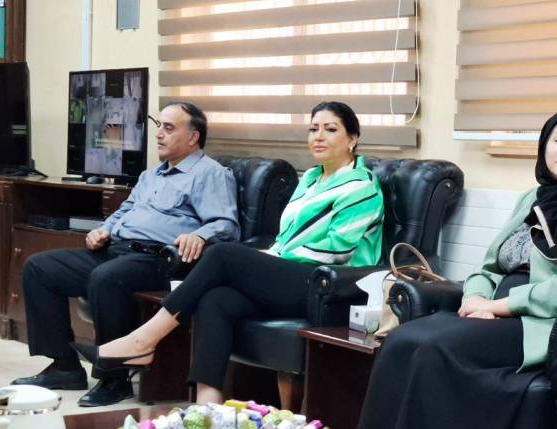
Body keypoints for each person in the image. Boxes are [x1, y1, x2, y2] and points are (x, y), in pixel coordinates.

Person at [72, 101, 385, 405]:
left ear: (352, 139)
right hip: (297, 276)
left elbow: (335, 251)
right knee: (217, 298)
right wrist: (270, 258)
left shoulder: (361, 186)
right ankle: (207, 402)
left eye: (330, 129)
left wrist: (268, 262)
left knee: (223, 255)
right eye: (313, 129)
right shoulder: (312, 179)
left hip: (331, 286)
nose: (318, 136)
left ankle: (143, 340)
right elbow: (285, 239)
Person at [354, 109, 557, 429]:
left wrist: (497, 307)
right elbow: (487, 268)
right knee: (400, 340)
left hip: (544, 322)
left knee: (434, 349)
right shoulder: (531, 198)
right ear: (544, 146)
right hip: (496, 309)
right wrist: (475, 298)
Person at [12, 102, 240, 407]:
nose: (158, 134)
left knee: (106, 278)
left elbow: (225, 224)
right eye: (159, 126)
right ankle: (64, 367)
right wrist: (103, 229)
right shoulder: (151, 175)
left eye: (169, 128)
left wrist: (199, 235)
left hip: (160, 260)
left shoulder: (209, 173)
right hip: (116, 250)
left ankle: (114, 378)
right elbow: (125, 210)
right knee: (40, 267)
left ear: (193, 137)